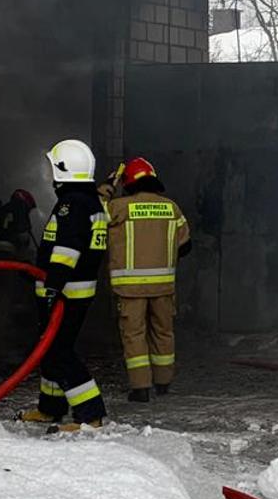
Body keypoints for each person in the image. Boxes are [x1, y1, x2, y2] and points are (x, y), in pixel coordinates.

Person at [18, 139, 110, 432]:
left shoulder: (73, 204)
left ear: (63, 170)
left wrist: (53, 286)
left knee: (59, 352)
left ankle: (90, 413)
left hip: (66, 292)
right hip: (74, 289)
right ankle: (51, 407)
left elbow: (67, 249)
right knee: (51, 349)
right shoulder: (90, 202)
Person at [103, 157, 191, 402]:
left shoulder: (118, 207)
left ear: (128, 183)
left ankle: (140, 388)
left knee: (134, 335)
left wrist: (107, 186)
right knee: (163, 332)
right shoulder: (172, 208)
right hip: (163, 286)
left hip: (130, 289)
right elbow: (186, 246)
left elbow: (92, 219)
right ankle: (163, 383)